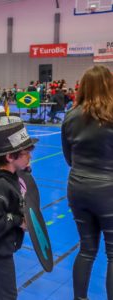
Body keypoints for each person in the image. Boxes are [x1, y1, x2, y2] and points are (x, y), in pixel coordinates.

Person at [61, 65, 113, 300]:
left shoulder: (71, 116)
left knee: (87, 249)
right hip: (108, 191)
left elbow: (68, 157)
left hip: (78, 187)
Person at [0, 122, 37, 299]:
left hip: (1, 246)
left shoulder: (10, 177)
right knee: (7, 295)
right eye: (26, 153)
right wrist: (19, 221)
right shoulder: (1, 185)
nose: (30, 157)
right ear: (10, 156)